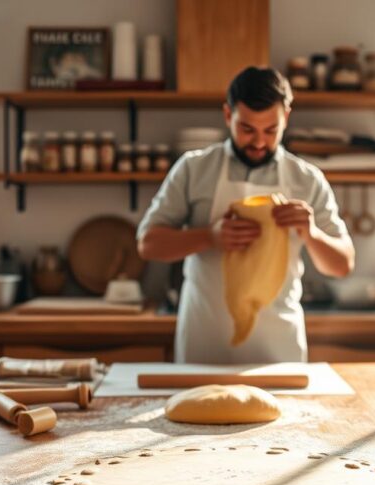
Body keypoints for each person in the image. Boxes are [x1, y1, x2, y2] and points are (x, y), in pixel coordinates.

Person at [137, 66, 355, 363]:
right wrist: (209, 237)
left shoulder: (307, 179)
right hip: (205, 343)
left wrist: (311, 233)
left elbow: (342, 265)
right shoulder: (193, 169)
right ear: (228, 115)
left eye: (271, 130)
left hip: (279, 348)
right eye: (247, 129)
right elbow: (148, 244)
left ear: (286, 117)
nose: (259, 142)